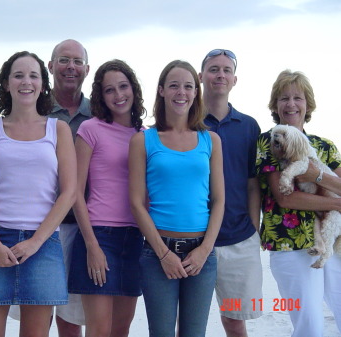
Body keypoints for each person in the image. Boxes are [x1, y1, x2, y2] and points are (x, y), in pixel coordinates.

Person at [0, 51, 76, 337]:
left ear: (42, 84)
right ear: (6, 83)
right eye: (18, 75)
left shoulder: (58, 129)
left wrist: (35, 242)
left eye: (33, 76)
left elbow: (69, 192)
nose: (26, 82)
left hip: (43, 244)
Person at [129, 60, 225, 337]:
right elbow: (136, 203)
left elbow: (218, 200)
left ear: (196, 92)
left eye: (187, 86)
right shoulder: (144, 140)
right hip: (158, 253)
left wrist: (205, 250)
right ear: (161, 91)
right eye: (173, 85)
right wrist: (163, 253)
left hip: (201, 254)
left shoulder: (211, 140)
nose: (180, 92)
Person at [256, 70, 341, 337]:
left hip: (334, 242)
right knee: (310, 326)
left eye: (297, 98)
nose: (291, 104)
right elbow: (285, 197)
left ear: (308, 104)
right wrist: (336, 204)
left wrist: (316, 175)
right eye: (283, 98)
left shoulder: (324, 146)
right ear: (275, 105)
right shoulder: (269, 140)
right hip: (289, 243)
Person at [68, 59, 146, 337]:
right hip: (99, 235)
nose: (118, 95)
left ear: (133, 89)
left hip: (135, 238)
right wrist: (92, 245)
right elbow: (74, 191)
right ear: (101, 96)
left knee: (121, 330)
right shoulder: (90, 129)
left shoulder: (145, 135)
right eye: (109, 90)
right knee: (99, 330)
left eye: (123, 87)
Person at [200, 49, 262, 337]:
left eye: (226, 70)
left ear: (234, 80)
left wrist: (254, 227)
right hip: (193, 239)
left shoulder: (249, 126)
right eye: (214, 69)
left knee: (235, 321)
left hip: (239, 240)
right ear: (201, 76)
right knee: (187, 324)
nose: (220, 75)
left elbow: (253, 182)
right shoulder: (187, 124)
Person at [48, 39, 91, 337]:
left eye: (77, 62)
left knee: (71, 318)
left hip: (82, 227)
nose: (70, 67)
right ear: (50, 66)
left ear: (87, 69)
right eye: (64, 60)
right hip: (37, 225)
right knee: (36, 313)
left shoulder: (100, 113)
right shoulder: (31, 107)